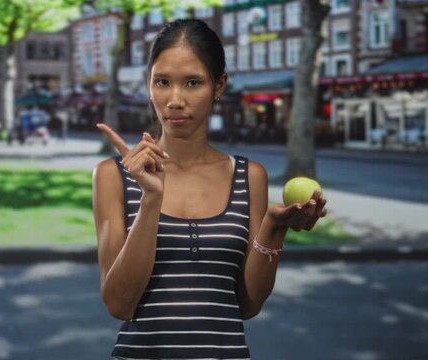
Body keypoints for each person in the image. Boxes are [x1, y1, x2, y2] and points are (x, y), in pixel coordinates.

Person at [93, 19, 327, 360]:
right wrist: (151, 200)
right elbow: (119, 303)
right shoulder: (113, 175)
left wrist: (273, 229)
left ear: (219, 85)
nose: (175, 100)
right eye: (162, 82)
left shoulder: (250, 177)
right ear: (149, 85)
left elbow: (248, 305)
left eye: (192, 82)